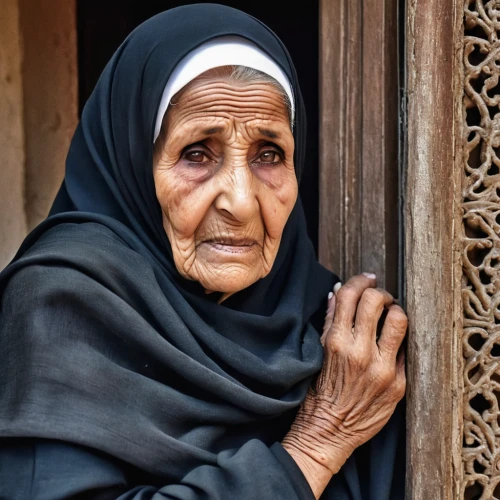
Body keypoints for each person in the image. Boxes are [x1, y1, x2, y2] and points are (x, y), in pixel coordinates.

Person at [0, 4, 406, 499]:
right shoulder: (63, 305)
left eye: (269, 154)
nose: (239, 201)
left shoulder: (335, 333)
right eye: (197, 154)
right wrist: (318, 445)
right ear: (136, 166)